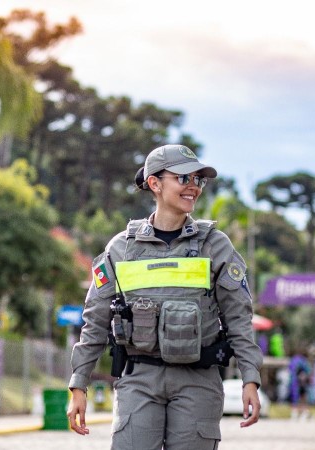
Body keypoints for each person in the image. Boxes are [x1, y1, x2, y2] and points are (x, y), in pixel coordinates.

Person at [66, 144, 263, 449]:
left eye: (198, 180)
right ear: (155, 183)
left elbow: (239, 317)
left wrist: (250, 377)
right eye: (183, 179)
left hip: (198, 382)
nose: (193, 187)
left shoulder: (215, 246)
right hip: (139, 379)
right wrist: (79, 384)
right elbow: (95, 319)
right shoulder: (121, 249)